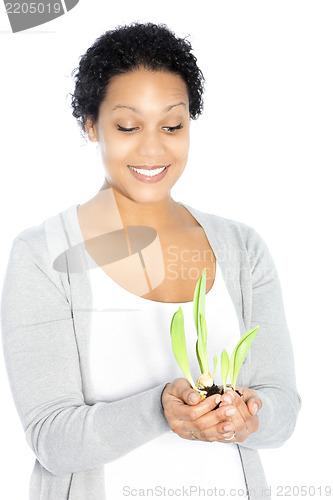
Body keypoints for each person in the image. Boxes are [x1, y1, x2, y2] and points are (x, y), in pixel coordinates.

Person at [1, 22, 301, 500]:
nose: (153, 148)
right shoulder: (43, 254)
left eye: (172, 125)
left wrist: (248, 416)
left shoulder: (243, 249)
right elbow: (51, 440)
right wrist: (161, 409)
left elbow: (282, 411)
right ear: (91, 125)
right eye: (127, 126)